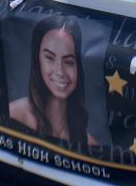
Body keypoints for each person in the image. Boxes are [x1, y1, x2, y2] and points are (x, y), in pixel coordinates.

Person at [9, 14, 97, 146]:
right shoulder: (13, 115)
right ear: (37, 60)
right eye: (49, 58)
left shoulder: (89, 144)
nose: (60, 72)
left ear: (79, 66)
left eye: (68, 62)